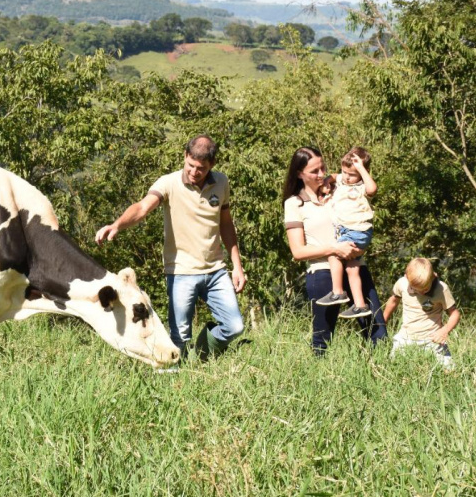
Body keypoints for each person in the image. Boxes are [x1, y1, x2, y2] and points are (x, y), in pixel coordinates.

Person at [95, 135, 245, 360]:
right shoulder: (168, 183)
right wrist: (118, 224)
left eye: (201, 168)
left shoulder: (221, 182)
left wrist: (237, 266)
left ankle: (201, 356)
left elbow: (226, 225)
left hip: (216, 270)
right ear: (185, 156)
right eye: (190, 165)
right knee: (180, 336)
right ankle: (179, 379)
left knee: (235, 327)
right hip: (181, 272)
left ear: (212, 165)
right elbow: (143, 207)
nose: (194, 172)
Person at [282, 146, 386, 354]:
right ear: (299, 174)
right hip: (322, 272)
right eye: (314, 171)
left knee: (378, 335)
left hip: (356, 269)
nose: (321, 174)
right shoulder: (294, 204)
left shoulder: (342, 187)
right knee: (322, 340)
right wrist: (334, 249)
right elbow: (298, 252)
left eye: (322, 168)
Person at [315, 147, 377, 319]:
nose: (348, 177)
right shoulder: (343, 179)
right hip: (352, 232)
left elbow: (373, 190)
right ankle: (360, 305)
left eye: (352, 174)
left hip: (356, 231)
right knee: (351, 268)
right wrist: (328, 180)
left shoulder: (362, 186)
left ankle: (338, 292)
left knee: (334, 254)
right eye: (345, 172)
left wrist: (362, 170)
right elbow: (336, 176)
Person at [383, 257, 461, 369]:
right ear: (406, 277)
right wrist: (383, 320)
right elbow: (393, 301)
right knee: (393, 368)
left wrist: (445, 330)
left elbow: (455, 314)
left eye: (426, 288)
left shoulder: (441, 289)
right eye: (417, 289)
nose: (422, 292)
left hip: (432, 339)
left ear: (433, 278)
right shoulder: (402, 284)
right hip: (405, 337)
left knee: (450, 370)